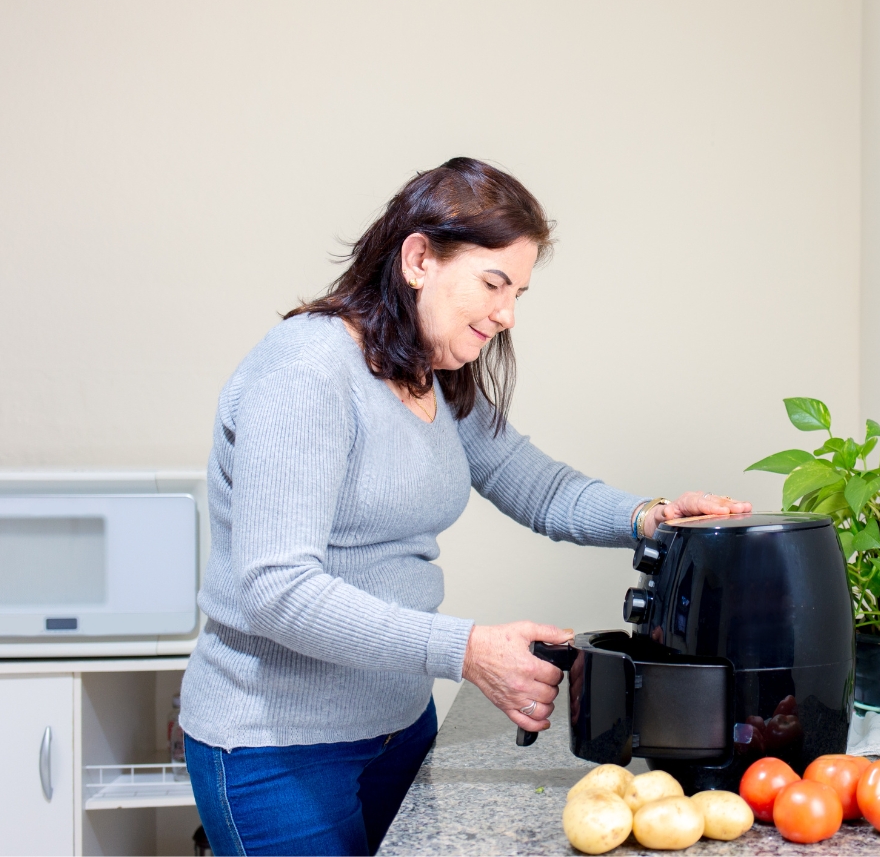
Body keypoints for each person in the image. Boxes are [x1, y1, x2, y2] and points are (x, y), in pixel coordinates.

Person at [180, 157, 751, 856]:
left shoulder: (431, 372)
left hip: (398, 725)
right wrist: (469, 649)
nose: (506, 313)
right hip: (278, 749)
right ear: (419, 258)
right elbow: (275, 591)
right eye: (493, 283)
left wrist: (651, 517)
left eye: (518, 291)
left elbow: (538, 486)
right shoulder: (305, 374)